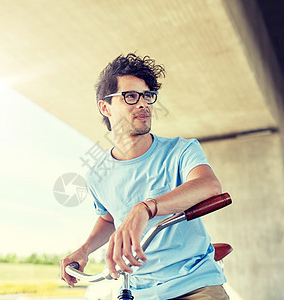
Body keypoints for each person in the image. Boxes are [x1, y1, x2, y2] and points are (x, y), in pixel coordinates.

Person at [60, 53, 229, 300]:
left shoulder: (181, 150)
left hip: (195, 285)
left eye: (147, 96)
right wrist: (84, 250)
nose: (143, 104)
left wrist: (146, 208)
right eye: (130, 96)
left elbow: (208, 185)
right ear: (105, 107)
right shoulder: (97, 174)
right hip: (138, 290)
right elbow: (109, 218)